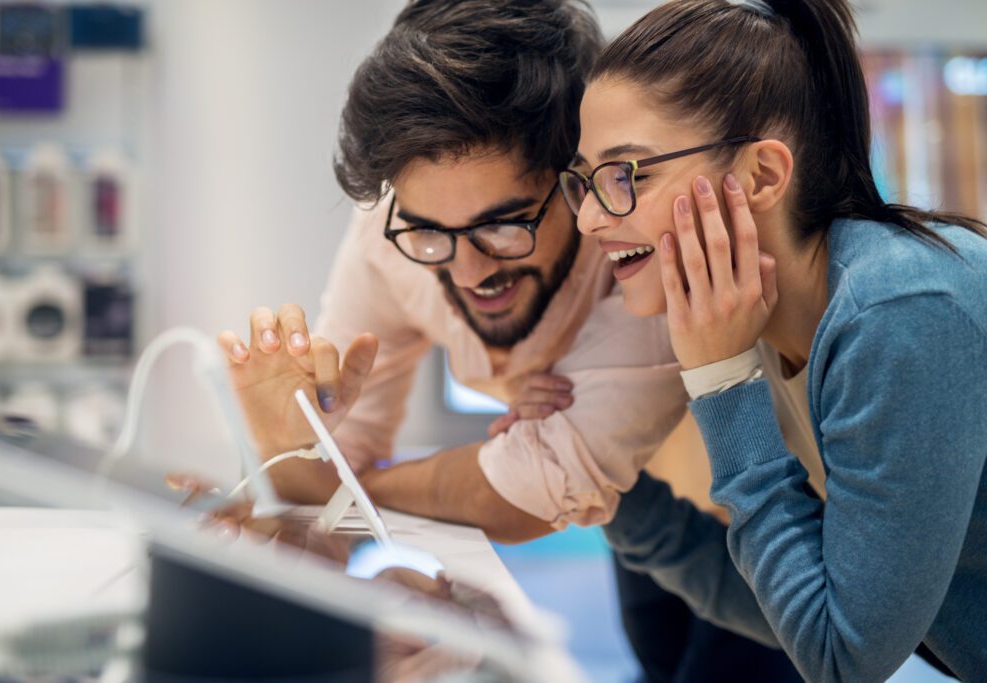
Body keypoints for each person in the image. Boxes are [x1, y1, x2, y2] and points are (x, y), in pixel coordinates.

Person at [200, 1, 801, 680]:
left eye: (503, 224)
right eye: (430, 231)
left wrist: (355, 484)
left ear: (579, 178)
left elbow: (524, 494)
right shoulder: (391, 235)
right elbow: (323, 472)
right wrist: (286, 439)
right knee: (657, 658)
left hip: (763, 496)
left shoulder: (638, 247)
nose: (468, 269)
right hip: (638, 505)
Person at [562, 0, 987, 680]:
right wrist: (626, 505)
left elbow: (840, 657)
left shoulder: (899, 311)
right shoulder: (763, 316)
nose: (587, 217)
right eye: (584, 181)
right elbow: (801, 612)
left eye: (626, 175)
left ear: (761, 176)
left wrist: (722, 379)